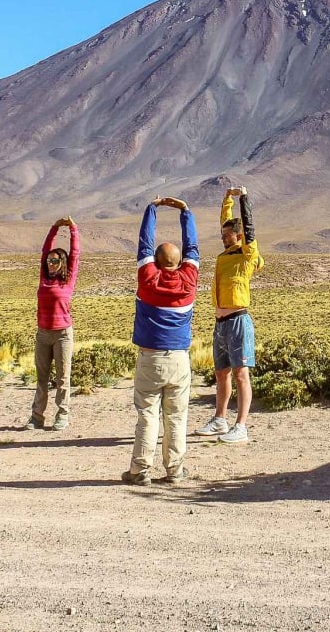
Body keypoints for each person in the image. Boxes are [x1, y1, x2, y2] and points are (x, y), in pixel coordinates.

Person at [122, 195, 199, 486]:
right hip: (179, 360)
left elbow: (144, 243)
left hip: (150, 359)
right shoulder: (189, 279)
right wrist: (185, 211)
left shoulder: (147, 277)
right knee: (176, 417)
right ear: (179, 263)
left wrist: (152, 209)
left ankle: (140, 470)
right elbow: (193, 247)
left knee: (147, 415)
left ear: (155, 261)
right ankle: (175, 471)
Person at [193, 186, 263, 444]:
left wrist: (244, 198)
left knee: (240, 373)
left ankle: (241, 426)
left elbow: (249, 228)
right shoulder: (225, 255)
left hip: (238, 322)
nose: (223, 238)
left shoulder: (246, 255)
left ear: (239, 235)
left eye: (228, 235)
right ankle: (219, 419)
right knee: (221, 373)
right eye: (222, 235)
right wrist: (226, 199)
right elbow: (226, 220)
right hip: (220, 323)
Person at [29, 216, 79, 431]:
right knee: (41, 377)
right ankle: (37, 417)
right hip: (43, 334)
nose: (51, 264)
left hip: (62, 334)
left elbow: (75, 254)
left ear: (63, 263)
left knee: (63, 377)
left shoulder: (68, 280)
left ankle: (62, 415)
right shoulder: (44, 278)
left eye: (55, 261)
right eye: (49, 261)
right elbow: (44, 252)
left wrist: (72, 229)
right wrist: (54, 228)